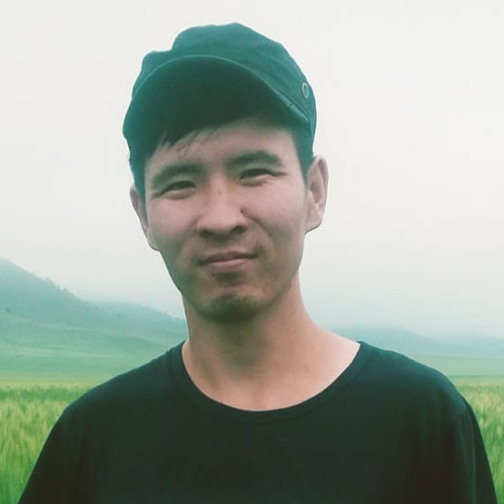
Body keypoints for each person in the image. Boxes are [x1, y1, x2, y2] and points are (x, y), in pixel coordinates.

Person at [19, 23, 497, 504]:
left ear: (314, 192)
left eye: (254, 172)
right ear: (143, 214)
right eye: (180, 184)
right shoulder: (91, 442)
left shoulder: (425, 422)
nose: (221, 218)